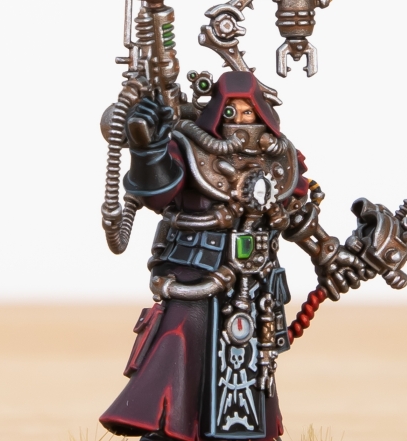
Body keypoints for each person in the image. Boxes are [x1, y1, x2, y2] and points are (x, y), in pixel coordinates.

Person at [100, 71, 372, 441]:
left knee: (254, 366)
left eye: (248, 112)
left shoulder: (280, 157)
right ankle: (172, 428)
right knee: (180, 350)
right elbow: (158, 191)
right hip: (196, 276)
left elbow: (295, 217)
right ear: (217, 111)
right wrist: (147, 147)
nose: (241, 121)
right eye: (231, 112)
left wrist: (330, 256)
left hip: (257, 284)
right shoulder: (192, 147)